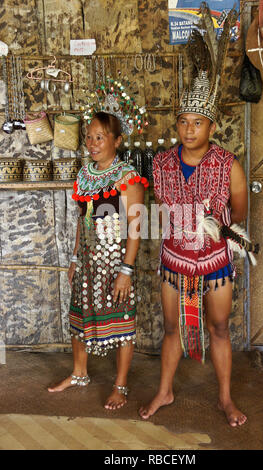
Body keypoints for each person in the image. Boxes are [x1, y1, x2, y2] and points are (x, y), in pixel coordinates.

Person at [139, 14, 248, 425]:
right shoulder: (162, 163)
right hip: (173, 261)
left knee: (219, 329)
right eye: (183, 121)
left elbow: (239, 214)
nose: (188, 129)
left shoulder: (227, 164)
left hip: (215, 262)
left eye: (197, 122)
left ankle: (224, 398)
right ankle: (165, 392)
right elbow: (162, 207)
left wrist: (214, 231)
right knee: (171, 329)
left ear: (211, 125)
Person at [48, 108, 147, 410]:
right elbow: (82, 220)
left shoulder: (127, 177)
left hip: (115, 262)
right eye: (89, 137)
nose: (92, 143)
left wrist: (126, 271)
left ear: (117, 141)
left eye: (99, 137)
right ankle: (79, 374)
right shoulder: (84, 175)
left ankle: (120, 385)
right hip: (88, 262)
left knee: (121, 320)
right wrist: (76, 259)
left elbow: (135, 227)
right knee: (78, 316)